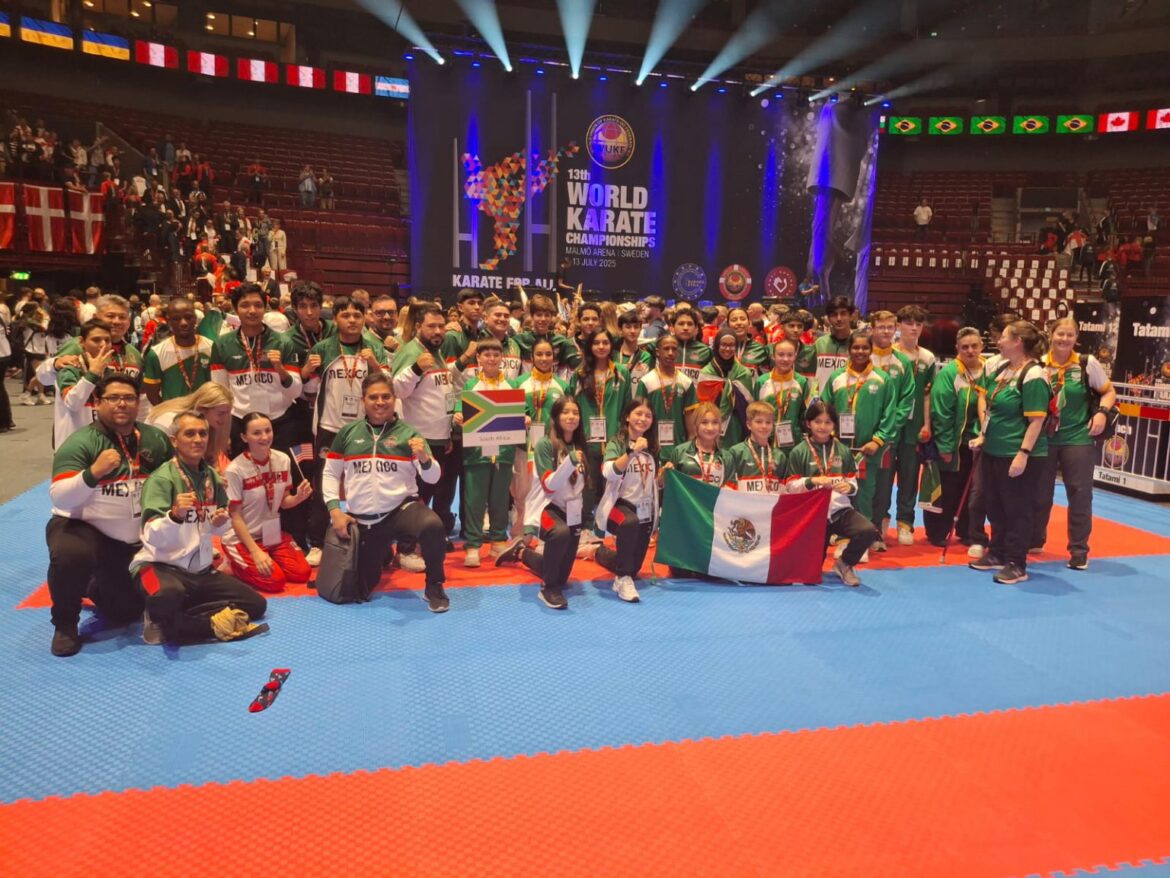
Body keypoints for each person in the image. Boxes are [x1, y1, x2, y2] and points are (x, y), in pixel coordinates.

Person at [45, 374, 173, 656]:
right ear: (98, 402)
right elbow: (60, 496)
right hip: (84, 528)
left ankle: (94, 584)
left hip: (132, 542)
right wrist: (93, 473)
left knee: (124, 612)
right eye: (113, 398)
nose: (122, 404)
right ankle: (65, 624)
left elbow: (174, 482)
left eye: (128, 398)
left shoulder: (154, 439)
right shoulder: (80, 443)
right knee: (71, 555)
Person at [132, 411, 268, 645]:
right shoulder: (162, 479)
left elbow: (215, 526)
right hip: (160, 566)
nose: (198, 439)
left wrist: (219, 523)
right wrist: (173, 516)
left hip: (200, 571)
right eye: (190, 433)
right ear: (174, 441)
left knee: (256, 604)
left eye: (202, 433)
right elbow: (150, 536)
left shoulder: (212, 478)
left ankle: (180, 617)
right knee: (167, 596)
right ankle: (175, 618)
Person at [322, 373, 450, 611]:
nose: (380, 402)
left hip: (400, 510)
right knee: (359, 591)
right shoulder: (347, 433)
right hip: (363, 520)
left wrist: (423, 457)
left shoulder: (410, 434)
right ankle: (383, 555)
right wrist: (335, 512)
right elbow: (330, 474)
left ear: (394, 399)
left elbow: (433, 477)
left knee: (432, 526)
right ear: (363, 401)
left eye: (386, 396)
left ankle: (434, 585)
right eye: (373, 397)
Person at [968, 320, 1052, 585]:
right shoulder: (1003, 369)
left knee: (1017, 509)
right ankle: (998, 552)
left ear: (1018, 342)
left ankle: (1017, 562)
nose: (999, 341)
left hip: (1017, 452)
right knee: (996, 506)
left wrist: (1023, 453)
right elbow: (992, 408)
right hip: (994, 449)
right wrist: (983, 434)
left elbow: (1037, 420)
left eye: (1004, 337)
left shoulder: (1034, 374)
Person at [1031, 316, 1116, 570]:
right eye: (1060, 334)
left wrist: (1101, 412)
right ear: (1050, 334)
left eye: (1070, 335)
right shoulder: (1037, 364)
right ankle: (1034, 539)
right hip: (1043, 438)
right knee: (1038, 493)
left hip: (1077, 437)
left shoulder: (1086, 363)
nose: (1064, 339)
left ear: (1076, 338)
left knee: (1080, 494)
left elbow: (1108, 391)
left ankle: (1079, 549)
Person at [495, 396, 588, 610]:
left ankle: (521, 553)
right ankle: (547, 589)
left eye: (575, 412)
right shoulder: (545, 445)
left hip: (572, 510)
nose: (571, 416)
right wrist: (569, 463)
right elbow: (549, 485)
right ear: (555, 417)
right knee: (560, 534)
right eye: (565, 412)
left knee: (561, 575)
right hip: (548, 507)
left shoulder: (580, 444)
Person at [391, 302, 458, 566]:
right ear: (419, 327)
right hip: (420, 439)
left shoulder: (437, 352)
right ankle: (405, 550)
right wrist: (416, 368)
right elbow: (396, 390)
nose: (438, 330)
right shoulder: (411, 352)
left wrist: (449, 433)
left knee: (438, 493)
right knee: (416, 497)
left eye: (441, 326)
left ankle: (428, 540)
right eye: (432, 326)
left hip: (440, 436)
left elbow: (442, 394)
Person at [784, 401, 879, 586]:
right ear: (808, 423)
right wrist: (812, 481)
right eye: (818, 421)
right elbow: (790, 486)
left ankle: (844, 564)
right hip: (812, 516)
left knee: (868, 531)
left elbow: (853, 482)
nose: (822, 426)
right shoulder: (799, 452)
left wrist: (849, 487)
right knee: (810, 577)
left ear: (834, 425)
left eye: (828, 422)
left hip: (839, 511)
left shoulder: (843, 451)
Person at [222, 413, 314, 592]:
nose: (264, 437)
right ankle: (233, 566)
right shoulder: (235, 469)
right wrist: (255, 552)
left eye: (267, 431)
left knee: (302, 573)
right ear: (244, 437)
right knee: (275, 582)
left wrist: (298, 498)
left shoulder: (283, 459)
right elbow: (235, 516)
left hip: (271, 535)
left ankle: (264, 558)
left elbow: (284, 502)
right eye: (256, 433)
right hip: (242, 538)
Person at [210, 283, 302, 455]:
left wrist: (280, 369)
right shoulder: (222, 345)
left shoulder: (283, 343)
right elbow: (220, 392)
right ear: (235, 309)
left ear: (265, 308)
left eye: (258, 305)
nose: (252, 311)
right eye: (245, 305)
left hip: (279, 421)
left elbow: (296, 392)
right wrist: (223, 432)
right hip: (240, 423)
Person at [823, 331, 899, 533]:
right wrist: (829, 436)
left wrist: (878, 440)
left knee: (865, 492)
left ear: (871, 349)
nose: (860, 351)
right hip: (839, 447)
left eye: (865, 347)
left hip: (867, 448)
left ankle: (863, 536)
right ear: (849, 350)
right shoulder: (836, 377)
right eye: (856, 347)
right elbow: (825, 408)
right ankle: (840, 534)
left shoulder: (882, 379)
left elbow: (890, 413)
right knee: (839, 490)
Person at [453, 338, 515, 567]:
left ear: (502, 359)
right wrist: (458, 416)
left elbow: (521, 412)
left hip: (503, 451)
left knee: (500, 498)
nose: (491, 358)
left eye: (495, 355)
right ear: (478, 358)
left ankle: (499, 540)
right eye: (486, 354)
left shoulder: (511, 385)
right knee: (474, 500)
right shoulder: (470, 386)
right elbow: (460, 409)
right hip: (476, 452)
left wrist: (524, 419)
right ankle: (473, 545)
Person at [593, 399, 660, 602]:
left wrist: (664, 475)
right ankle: (621, 579)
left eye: (648, 415)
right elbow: (608, 473)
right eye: (638, 414)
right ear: (627, 417)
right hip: (618, 507)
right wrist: (632, 452)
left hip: (644, 508)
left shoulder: (652, 446)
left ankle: (600, 553)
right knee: (629, 523)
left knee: (634, 568)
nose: (643, 419)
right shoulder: (617, 443)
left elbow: (652, 482)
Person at [567, 329, 631, 540]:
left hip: (613, 441)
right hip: (587, 439)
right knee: (588, 484)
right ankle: (585, 525)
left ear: (611, 345)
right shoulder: (579, 374)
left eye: (605, 342)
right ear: (590, 347)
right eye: (596, 343)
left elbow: (627, 408)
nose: (601, 346)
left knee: (612, 485)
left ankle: (609, 525)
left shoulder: (622, 372)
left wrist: (622, 436)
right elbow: (571, 406)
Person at [925, 327, 986, 548]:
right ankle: (937, 531)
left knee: (973, 490)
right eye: (965, 347)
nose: (970, 351)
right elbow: (941, 413)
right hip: (951, 443)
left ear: (982, 346)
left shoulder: (989, 372)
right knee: (946, 489)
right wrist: (945, 446)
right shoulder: (950, 374)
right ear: (957, 349)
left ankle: (968, 530)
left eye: (974, 346)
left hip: (977, 444)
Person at [866, 310, 915, 547]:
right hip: (861, 434)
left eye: (890, 327)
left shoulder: (902, 362)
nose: (886, 331)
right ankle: (851, 530)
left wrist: (888, 429)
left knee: (883, 485)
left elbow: (907, 400)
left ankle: (875, 531)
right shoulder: (861, 356)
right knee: (859, 483)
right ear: (871, 329)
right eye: (881, 326)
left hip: (887, 436)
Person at [512, 339, 567, 538]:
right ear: (532, 357)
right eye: (539, 354)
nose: (544, 359)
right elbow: (509, 414)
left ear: (554, 358)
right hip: (524, 445)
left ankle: (545, 532)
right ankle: (520, 533)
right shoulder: (518, 383)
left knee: (549, 489)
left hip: (550, 448)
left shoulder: (561, 385)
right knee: (521, 491)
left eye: (548, 354)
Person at [633, 334, 698, 460]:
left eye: (674, 349)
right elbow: (639, 415)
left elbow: (690, 420)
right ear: (658, 352)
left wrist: (690, 445)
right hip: (651, 447)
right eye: (666, 348)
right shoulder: (646, 381)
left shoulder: (686, 382)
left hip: (678, 447)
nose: (670, 353)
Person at [53, 321, 118, 447]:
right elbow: (73, 403)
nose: (103, 345)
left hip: (102, 444)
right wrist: (92, 374)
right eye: (96, 340)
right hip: (73, 447)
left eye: (107, 340)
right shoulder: (69, 368)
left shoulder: (110, 372)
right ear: (82, 342)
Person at [146, 382, 234, 472]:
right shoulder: (168, 421)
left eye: (228, 413)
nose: (226, 419)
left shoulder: (209, 424)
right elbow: (153, 462)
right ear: (201, 409)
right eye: (221, 413)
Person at [141, 297, 213, 404]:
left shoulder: (211, 347)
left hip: (206, 415)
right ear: (169, 321)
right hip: (171, 417)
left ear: (195, 318)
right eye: (176, 319)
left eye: (188, 317)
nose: (183, 323)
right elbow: (152, 394)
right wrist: (167, 414)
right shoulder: (156, 353)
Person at [698, 331, 756, 448]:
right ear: (716, 345)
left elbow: (748, 407)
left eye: (731, 345)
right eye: (723, 344)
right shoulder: (706, 373)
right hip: (710, 425)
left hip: (736, 427)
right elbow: (702, 406)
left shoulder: (744, 374)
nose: (728, 349)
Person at [755, 338, 813, 453]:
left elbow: (805, 414)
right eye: (781, 355)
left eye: (790, 355)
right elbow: (755, 413)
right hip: (767, 441)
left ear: (795, 356)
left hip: (794, 443)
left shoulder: (801, 382)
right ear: (773, 356)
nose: (785, 359)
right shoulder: (761, 382)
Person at [661, 402, 734, 487]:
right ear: (696, 425)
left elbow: (730, 491)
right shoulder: (680, 452)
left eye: (715, 422)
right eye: (704, 422)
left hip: (714, 500)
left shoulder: (727, 457)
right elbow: (670, 486)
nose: (710, 428)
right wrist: (663, 476)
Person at [726, 402, 787, 494]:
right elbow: (729, 487)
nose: (764, 426)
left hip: (771, 507)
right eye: (759, 422)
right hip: (745, 507)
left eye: (768, 422)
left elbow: (784, 490)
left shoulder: (779, 455)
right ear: (749, 425)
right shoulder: (736, 452)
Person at [812, 297, 855, 393]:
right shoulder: (820, 343)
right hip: (822, 403)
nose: (839, 319)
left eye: (843, 313)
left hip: (848, 400)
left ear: (851, 316)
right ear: (828, 318)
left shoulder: (859, 344)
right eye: (834, 315)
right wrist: (813, 397)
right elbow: (814, 376)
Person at [725, 307, 770, 374]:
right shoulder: (722, 349)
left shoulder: (760, 349)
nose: (739, 323)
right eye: (734, 320)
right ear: (728, 325)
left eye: (743, 319)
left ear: (749, 323)